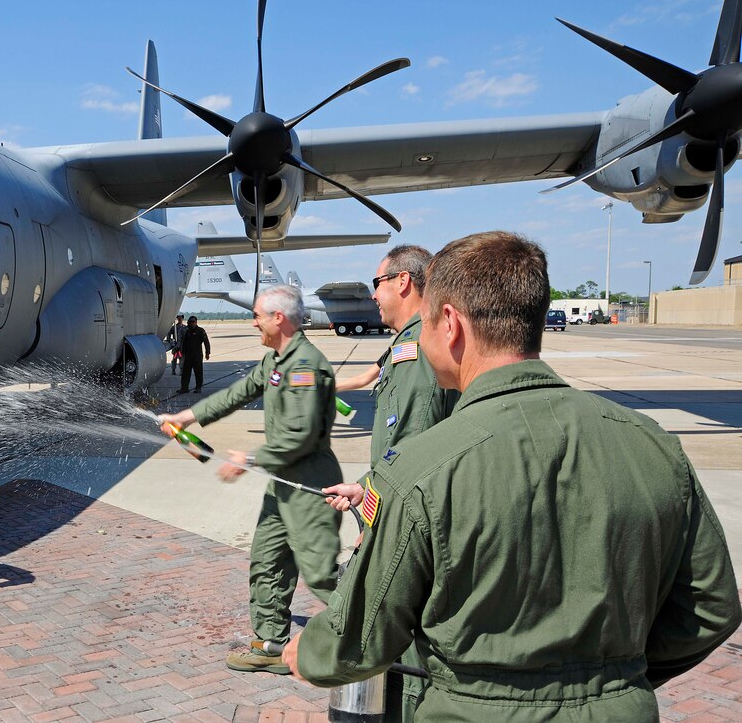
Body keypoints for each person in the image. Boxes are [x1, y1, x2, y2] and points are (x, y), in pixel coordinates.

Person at [283, 231, 741, 719]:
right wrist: (613, 682)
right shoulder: (652, 444)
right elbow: (711, 607)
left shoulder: (420, 471)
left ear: (451, 325)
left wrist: (307, 653)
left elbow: (362, 636)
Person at [159, 285, 342, 674]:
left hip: (309, 486)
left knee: (321, 574)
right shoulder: (276, 359)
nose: (252, 320)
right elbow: (238, 393)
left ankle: (379, 639)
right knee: (267, 561)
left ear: (279, 318)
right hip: (281, 484)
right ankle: (271, 644)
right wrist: (186, 419)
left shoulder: (306, 364)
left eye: (257, 314)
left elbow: (303, 434)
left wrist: (251, 457)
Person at [328, 245, 458, 718]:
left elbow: (409, 450)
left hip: (408, 529)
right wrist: (365, 486)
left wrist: (372, 512)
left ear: (403, 281)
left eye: (376, 285)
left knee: (407, 661)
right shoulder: (407, 345)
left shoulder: (414, 350)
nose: (374, 297)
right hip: (404, 509)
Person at [178, 315, 210, 393]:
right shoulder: (187, 331)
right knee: (185, 373)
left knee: (198, 372)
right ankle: (184, 388)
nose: (192, 323)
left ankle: (198, 387)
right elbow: (184, 343)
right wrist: (182, 353)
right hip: (188, 356)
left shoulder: (201, 331)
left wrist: (207, 353)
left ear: (196, 322)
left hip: (197, 356)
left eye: (193, 322)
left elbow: (206, 342)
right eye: (190, 322)